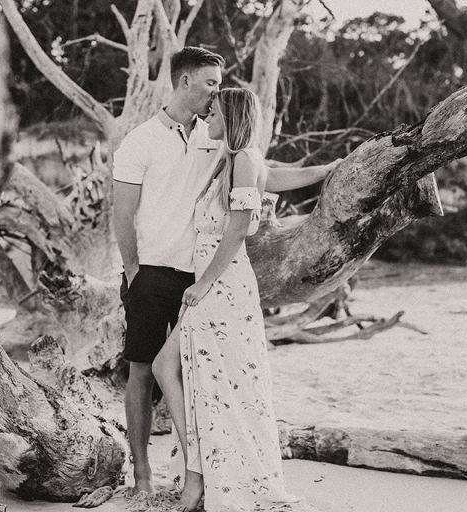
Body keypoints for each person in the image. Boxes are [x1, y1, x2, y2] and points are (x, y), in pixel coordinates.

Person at [113, 46, 336, 497]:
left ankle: (200, 472)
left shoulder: (217, 133)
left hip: (203, 276)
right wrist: (133, 269)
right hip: (153, 272)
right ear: (185, 81)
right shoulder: (140, 141)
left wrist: (328, 169)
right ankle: (143, 476)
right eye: (211, 83)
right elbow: (122, 213)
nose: (217, 91)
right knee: (142, 371)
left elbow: (263, 176)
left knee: (196, 374)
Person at [152, 88, 310, 512]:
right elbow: (275, 179)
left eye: (215, 111)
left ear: (232, 115)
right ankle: (199, 470)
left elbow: (238, 229)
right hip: (217, 281)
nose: (208, 116)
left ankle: (197, 476)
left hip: (221, 283)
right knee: (195, 374)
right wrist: (328, 168)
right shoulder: (234, 159)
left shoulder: (243, 159)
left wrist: (203, 284)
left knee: (180, 370)